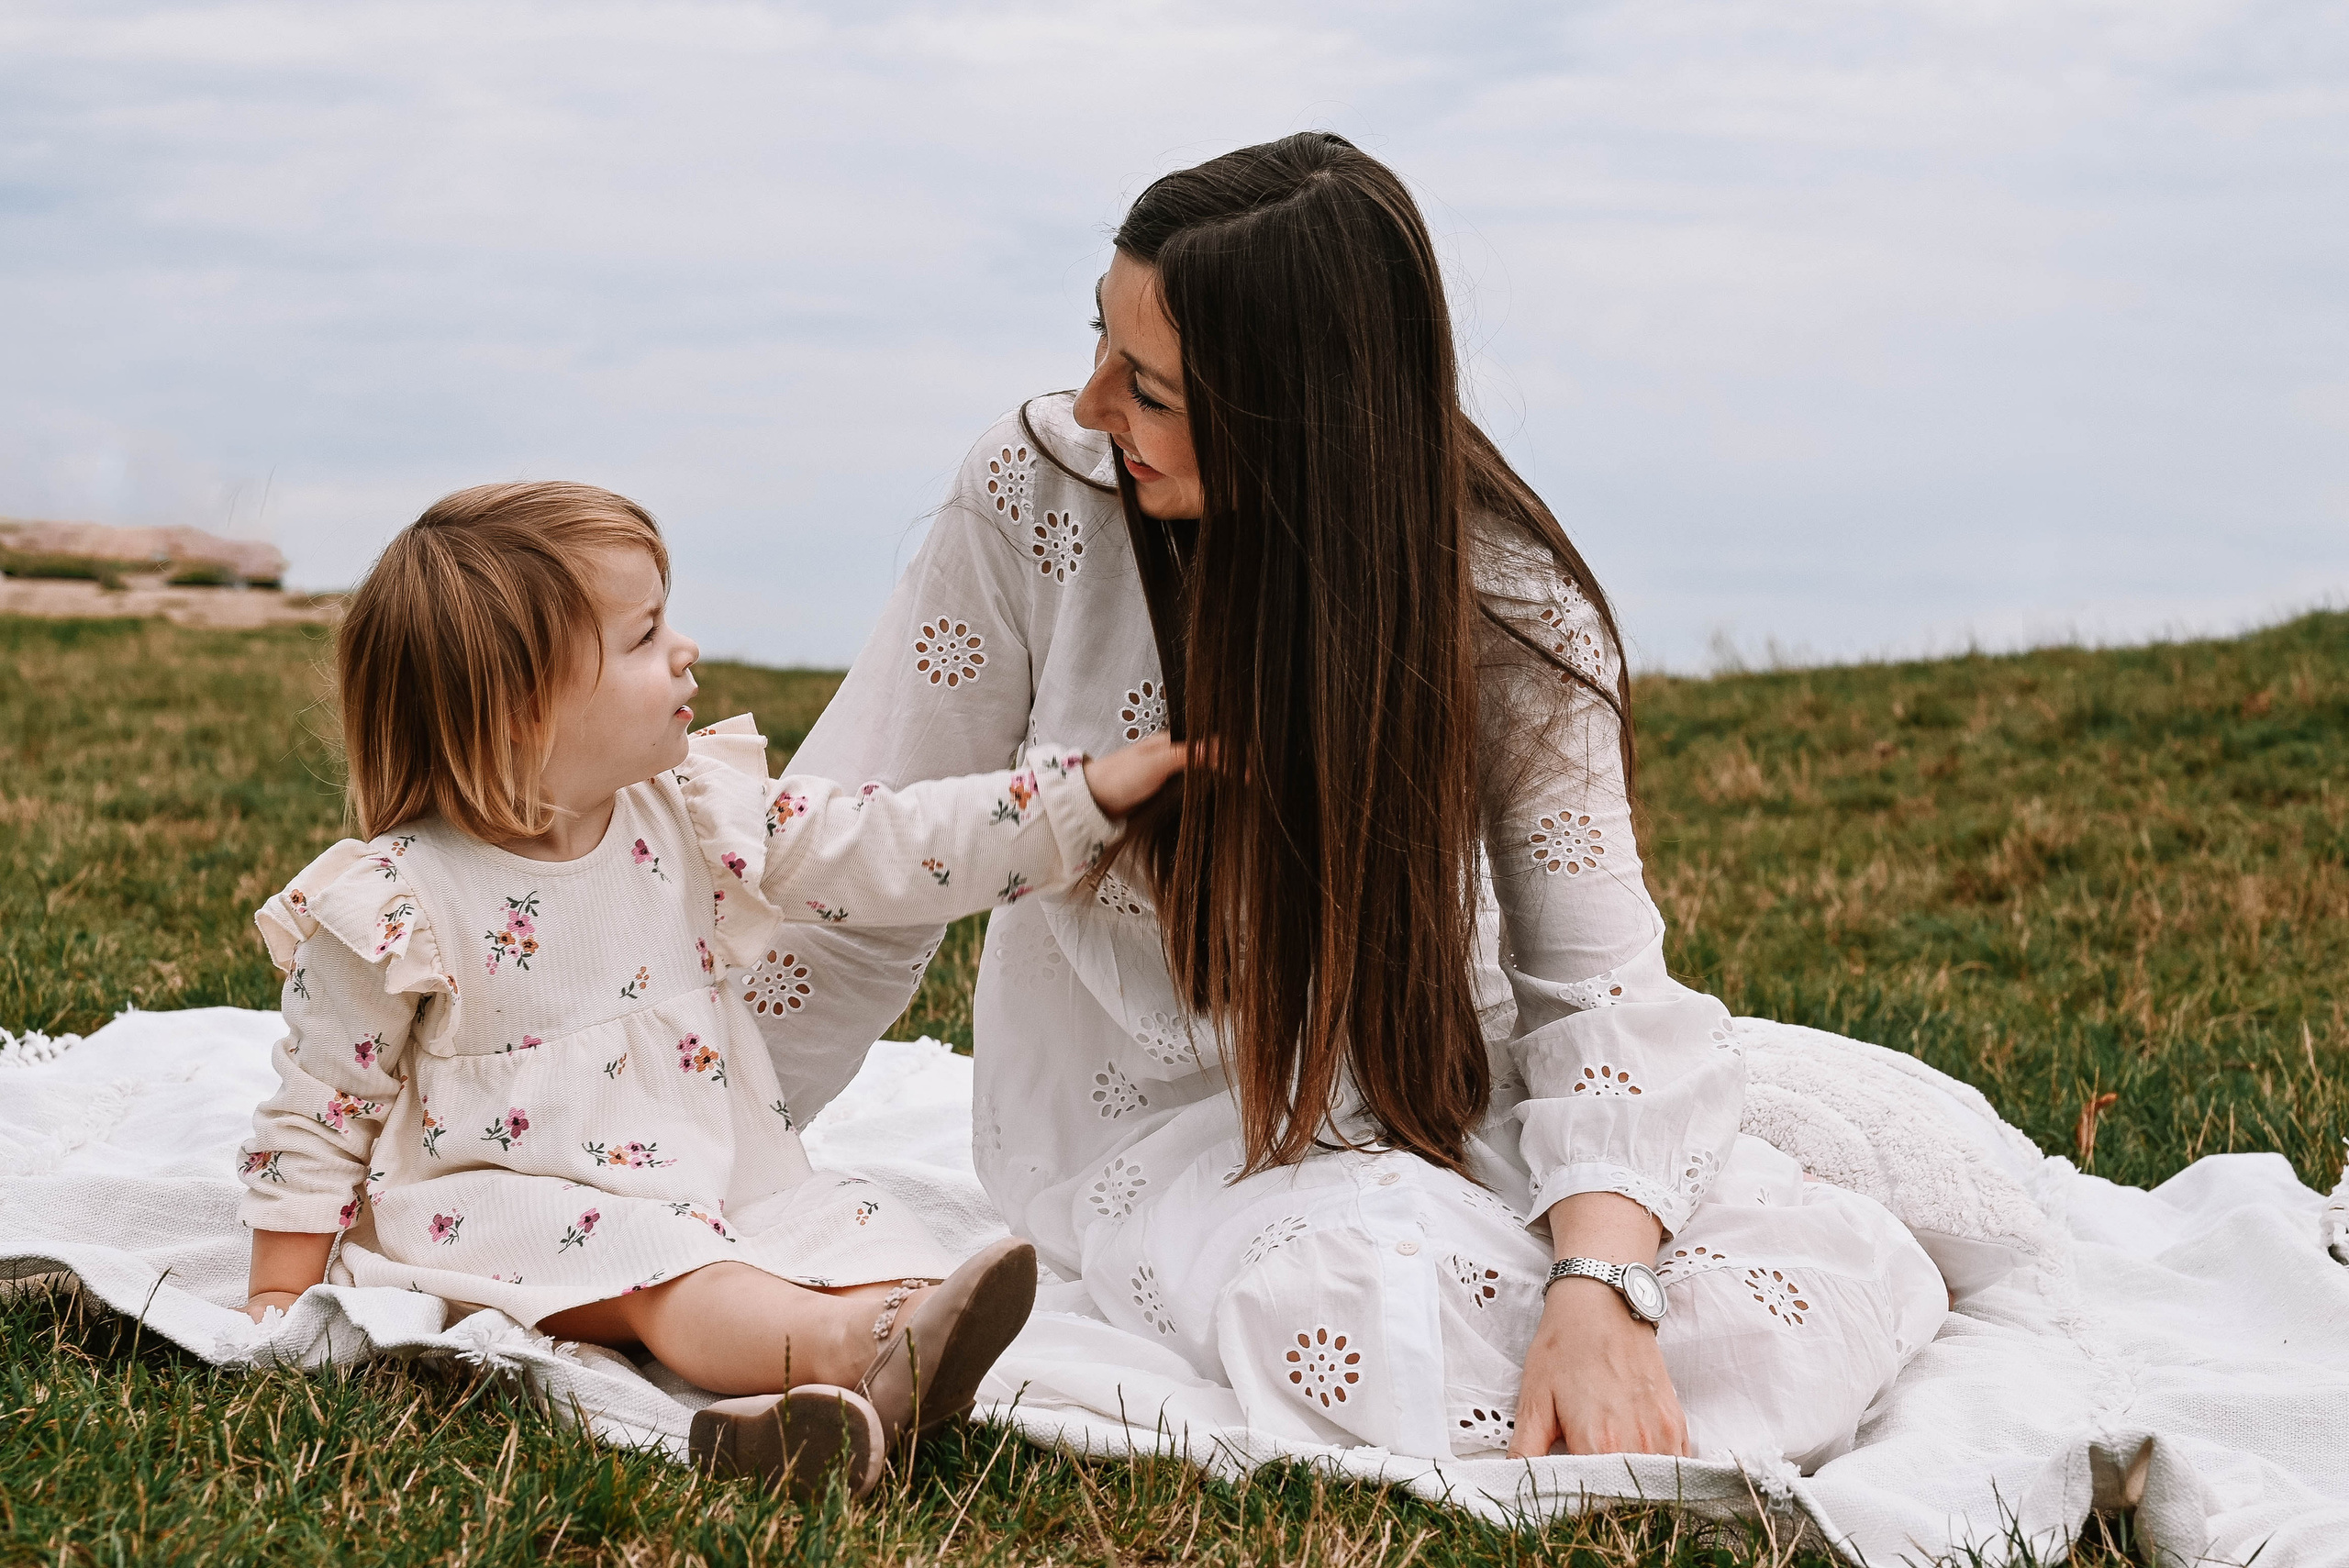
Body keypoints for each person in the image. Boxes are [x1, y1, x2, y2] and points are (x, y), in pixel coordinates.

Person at [755, 134, 1949, 1468]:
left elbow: (1596, 987)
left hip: (1434, 1098)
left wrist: (1600, 1289)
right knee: (1353, 1308)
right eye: (1099, 339)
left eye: (1149, 388)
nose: (1090, 402)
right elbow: (862, 871)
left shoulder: (1510, 608)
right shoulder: (1038, 493)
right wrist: (693, 1144)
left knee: (1783, 1306)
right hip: (1144, 1138)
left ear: (1296, 425)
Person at [232, 481, 1186, 1497]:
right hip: (510, 1211)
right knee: (670, 1269)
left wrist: (1075, 801)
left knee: (859, 1230)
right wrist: (281, 1292)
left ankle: (780, 1413)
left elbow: (891, 843)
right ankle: (848, 1347)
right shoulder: (399, 902)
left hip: (714, 1174)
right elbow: (322, 1105)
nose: (685, 648)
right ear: (523, 709)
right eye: (644, 636)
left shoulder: (693, 817)